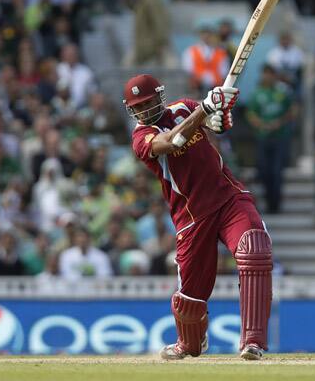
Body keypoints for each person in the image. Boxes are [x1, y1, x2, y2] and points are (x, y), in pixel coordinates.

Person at [125, 74, 272, 360]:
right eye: (138, 107)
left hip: (229, 198)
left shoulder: (183, 107)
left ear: (160, 96)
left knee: (255, 248)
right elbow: (171, 141)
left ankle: (253, 341)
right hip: (192, 217)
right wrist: (205, 109)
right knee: (190, 302)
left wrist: (218, 114)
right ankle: (189, 342)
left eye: (148, 102)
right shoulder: (141, 138)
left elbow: (217, 124)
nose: (144, 110)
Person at [246, 64, 297, 213]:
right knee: (264, 170)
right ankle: (268, 201)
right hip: (263, 137)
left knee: (277, 171)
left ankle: (276, 204)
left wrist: (279, 122)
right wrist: (262, 124)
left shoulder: (282, 92)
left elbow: (292, 109)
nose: (267, 77)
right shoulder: (257, 93)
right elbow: (251, 114)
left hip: (280, 137)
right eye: (265, 74)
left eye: (270, 74)